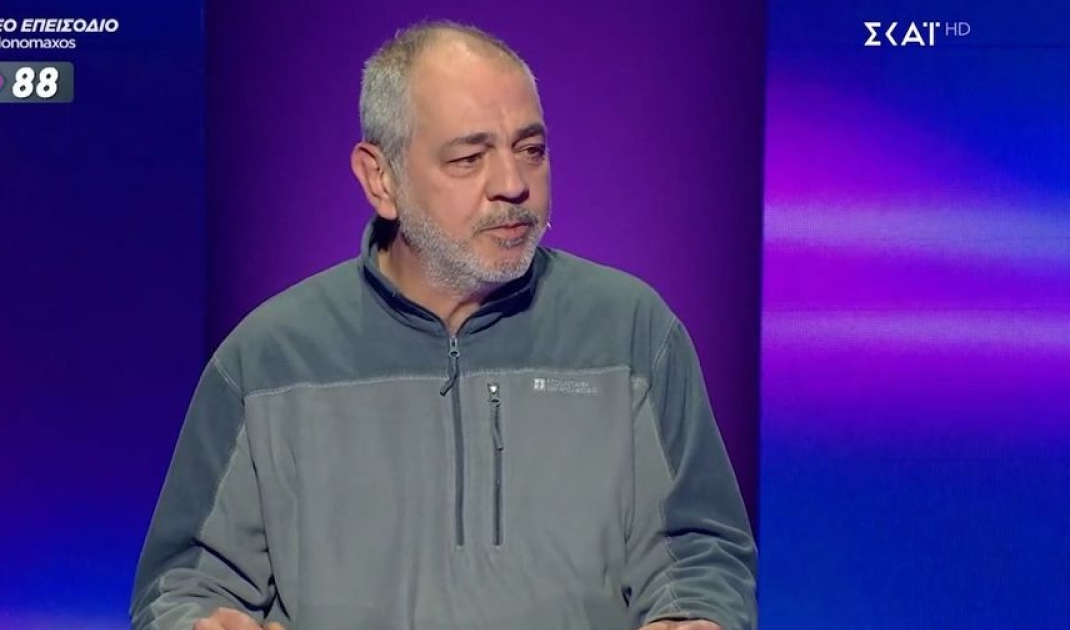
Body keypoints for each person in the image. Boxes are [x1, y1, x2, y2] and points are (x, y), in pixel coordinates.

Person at [130, 20, 757, 630]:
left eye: (531, 150)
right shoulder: (266, 359)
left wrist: (695, 616)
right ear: (381, 178)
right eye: (468, 158)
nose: (513, 185)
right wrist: (199, 622)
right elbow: (186, 584)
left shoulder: (633, 333)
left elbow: (700, 552)